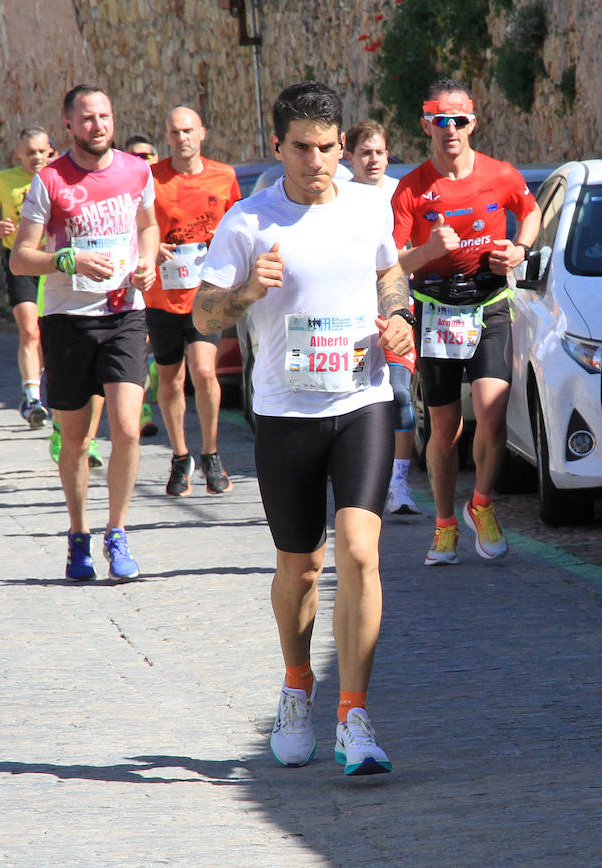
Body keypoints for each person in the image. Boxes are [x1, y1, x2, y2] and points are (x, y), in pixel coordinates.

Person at [193, 81, 414, 776]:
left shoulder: (367, 206)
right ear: (277, 145)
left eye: (327, 148)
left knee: (358, 551)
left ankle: (355, 715)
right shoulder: (248, 222)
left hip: (362, 399)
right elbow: (201, 315)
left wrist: (399, 314)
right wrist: (245, 293)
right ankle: (297, 685)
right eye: (301, 148)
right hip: (286, 412)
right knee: (300, 566)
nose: (315, 161)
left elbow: (390, 275)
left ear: (342, 145)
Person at [10, 84, 159, 581]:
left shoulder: (137, 170)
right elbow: (20, 256)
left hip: (125, 314)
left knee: (128, 427)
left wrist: (146, 263)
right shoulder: (49, 180)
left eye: (105, 116)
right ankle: (78, 536)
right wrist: (63, 258)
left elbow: (149, 225)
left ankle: (117, 533)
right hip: (68, 321)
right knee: (74, 438)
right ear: (69, 127)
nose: (98, 125)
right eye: (87, 118)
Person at [390, 79, 541, 565]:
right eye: (440, 120)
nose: (450, 129)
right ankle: (444, 524)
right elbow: (393, 262)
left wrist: (519, 250)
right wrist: (431, 250)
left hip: (489, 302)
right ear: (426, 124)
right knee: (445, 428)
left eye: (458, 120)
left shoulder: (500, 174)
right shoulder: (412, 188)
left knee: (493, 414)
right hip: (434, 310)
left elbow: (531, 210)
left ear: (472, 122)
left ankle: (481, 504)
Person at [145, 106, 242, 496]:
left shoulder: (224, 176)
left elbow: (238, 226)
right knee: (171, 378)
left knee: (204, 371)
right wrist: (151, 248)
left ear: (202, 133)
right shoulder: (151, 179)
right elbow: (138, 228)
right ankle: (180, 456)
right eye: (174, 132)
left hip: (206, 294)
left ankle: (211, 454)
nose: (182, 137)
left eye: (188, 130)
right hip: (163, 294)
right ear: (166, 138)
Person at [345, 119, 417, 515]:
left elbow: (408, 254)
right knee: (356, 401)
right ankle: (360, 480)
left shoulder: (400, 193)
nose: (373, 160)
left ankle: (399, 482)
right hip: (353, 323)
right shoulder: (338, 196)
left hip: (395, 314)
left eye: (380, 152)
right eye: (365, 153)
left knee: (401, 395)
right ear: (350, 156)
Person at [0, 127, 55, 428]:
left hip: (53, 264)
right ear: (19, 154)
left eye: (41, 152)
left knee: (50, 336)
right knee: (29, 331)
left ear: (50, 150)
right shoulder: (4, 180)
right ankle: (31, 398)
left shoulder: (59, 177)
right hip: (21, 263)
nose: (36, 157)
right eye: (30, 153)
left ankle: (49, 389)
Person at [125, 133, 162, 437]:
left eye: (145, 155)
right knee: (141, 348)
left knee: (156, 356)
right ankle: (143, 412)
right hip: (137, 284)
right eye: (133, 156)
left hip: (174, 288)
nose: (141, 161)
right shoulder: (122, 191)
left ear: (156, 158)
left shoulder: (167, 188)